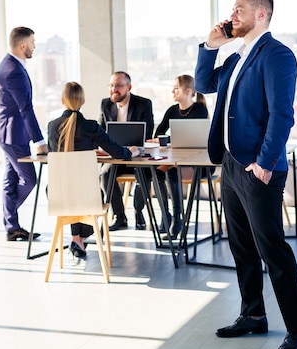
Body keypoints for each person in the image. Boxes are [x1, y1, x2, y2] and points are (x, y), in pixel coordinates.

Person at [194, 0, 297, 349]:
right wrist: (210, 45)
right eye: (232, 10)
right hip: (230, 164)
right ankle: (252, 314)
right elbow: (202, 85)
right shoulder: (235, 56)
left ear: (261, 14)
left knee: (272, 249)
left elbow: (282, 115)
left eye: (239, 9)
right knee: (241, 246)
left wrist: (263, 162)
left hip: (258, 167)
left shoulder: (277, 55)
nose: (232, 16)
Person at [48, 81, 139, 258]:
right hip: (87, 197)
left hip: (56, 195)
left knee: (73, 191)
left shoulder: (52, 126)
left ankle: (76, 239)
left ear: (62, 100)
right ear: (83, 101)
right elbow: (119, 153)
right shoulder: (90, 127)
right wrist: (132, 151)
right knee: (90, 193)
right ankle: (80, 238)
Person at [0, 27, 48, 241]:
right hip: (13, 135)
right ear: (23, 45)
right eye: (33, 42)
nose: (35, 46)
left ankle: (12, 226)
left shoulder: (10, 65)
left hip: (10, 133)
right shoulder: (13, 70)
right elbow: (25, 108)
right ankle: (9, 218)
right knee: (29, 179)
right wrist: (40, 141)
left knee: (10, 179)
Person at [150, 74, 208, 235]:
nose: (172, 91)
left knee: (171, 171)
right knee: (157, 172)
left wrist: (169, 138)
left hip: (198, 162)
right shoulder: (172, 110)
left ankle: (177, 219)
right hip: (176, 159)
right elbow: (159, 132)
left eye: (176, 88)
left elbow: (197, 136)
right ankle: (166, 215)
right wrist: (168, 139)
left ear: (188, 91)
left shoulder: (200, 109)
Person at [98, 71, 154, 231]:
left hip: (138, 155)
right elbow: (101, 130)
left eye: (118, 86)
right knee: (105, 174)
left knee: (143, 175)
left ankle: (138, 211)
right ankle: (120, 216)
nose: (114, 89)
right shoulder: (105, 104)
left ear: (129, 87)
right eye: (111, 85)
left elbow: (148, 132)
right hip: (116, 155)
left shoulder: (143, 104)